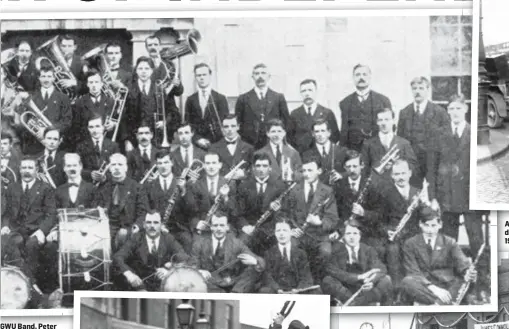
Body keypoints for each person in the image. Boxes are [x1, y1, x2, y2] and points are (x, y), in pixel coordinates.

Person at [427, 94, 487, 295]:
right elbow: (432, 167)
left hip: (470, 197)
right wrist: (433, 196)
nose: (454, 112)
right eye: (451, 108)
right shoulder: (439, 133)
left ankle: (481, 286)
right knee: (449, 242)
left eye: (458, 108)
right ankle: (454, 285)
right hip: (447, 197)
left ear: (465, 110)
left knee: (477, 241)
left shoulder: (476, 133)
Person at [400, 208, 477, 305]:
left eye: (433, 225)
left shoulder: (449, 242)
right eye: (426, 225)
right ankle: (442, 303)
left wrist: (467, 272)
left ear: (440, 225)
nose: (430, 230)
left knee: (464, 280)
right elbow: (413, 272)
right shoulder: (410, 243)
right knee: (407, 282)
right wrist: (434, 289)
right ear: (420, 224)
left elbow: (462, 262)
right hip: (425, 286)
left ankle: (437, 304)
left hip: (446, 285)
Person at [283, 155, 339, 282]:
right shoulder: (294, 189)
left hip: (319, 236)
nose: (306, 174)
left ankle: (317, 283)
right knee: (289, 248)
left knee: (325, 252)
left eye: (310, 170)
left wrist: (319, 222)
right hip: (299, 234)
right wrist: (290, 229)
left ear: (319, 171)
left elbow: (333, 218)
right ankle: (297, 283)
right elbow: (285, 214)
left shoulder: (327, 191)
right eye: (304, 171)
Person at [7, 156, 57, 284]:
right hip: (16, 230)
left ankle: (30, 285)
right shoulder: (12, 188)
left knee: (31, 245)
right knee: (11, 242)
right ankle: (16, 284)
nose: (27, 171)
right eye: (24, 168)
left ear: (36, 170)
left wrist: (42, 231)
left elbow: (51, 214)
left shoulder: (46, 188)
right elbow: (6, 212)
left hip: (36, 231)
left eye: (30, 168)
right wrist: (4, 226)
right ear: (19, 170)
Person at [322, 219, 393, 306]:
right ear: (343, 236)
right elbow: (333, 271)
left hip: (364, 289)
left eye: (355, 233)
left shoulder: (368, 250)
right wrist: (358, 277)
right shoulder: (336, 251)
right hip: (345, 289)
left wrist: (371, 281)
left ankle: (355, 304)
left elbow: (381, 268)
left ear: (360, 235)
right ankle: (356, 303)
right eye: (348, 233)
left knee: (386, 279)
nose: (352, 237)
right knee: (327, 280)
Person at [190, 212, 265, 293]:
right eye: (215, 225)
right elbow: (192, 266)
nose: (218, 229)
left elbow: (261, 261)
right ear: (211, 227)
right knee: (196, 279)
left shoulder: (236, 243)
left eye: (222, 225)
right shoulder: (200, 243)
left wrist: (255, 261)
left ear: (227, 227)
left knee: (254, 268)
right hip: (212, 285)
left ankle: (235, 294)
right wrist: (200, 272)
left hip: (233, 284)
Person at [113, 211, 190, 291]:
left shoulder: (168, 238)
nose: (152, 226)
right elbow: (118, 257)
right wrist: (130, 275)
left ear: (161, 225)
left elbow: (184, 258)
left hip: (161, 288)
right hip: (139, 286)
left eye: (156, 223)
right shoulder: (136, 238)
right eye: (149, 222)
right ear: (144, 225)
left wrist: (169, 271)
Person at [397, 76, 450, 188]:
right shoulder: (404, 113)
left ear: (427, 89)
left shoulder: (439, 112)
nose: (417, 91)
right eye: (414, 88)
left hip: (433, 163)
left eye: (421, 88)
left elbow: (446, 140)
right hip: (412, 163)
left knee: (434, 195)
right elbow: (400, 140)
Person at [91, 153, 149, 251]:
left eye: (120, 165)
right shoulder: (103, 187)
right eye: (113, 165)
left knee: (122, 235)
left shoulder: (136, 187)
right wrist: (99, 210)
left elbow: (143, 212)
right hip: (107, 227)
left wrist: (136, 226)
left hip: (128, 228)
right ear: (109, 168)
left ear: (126, 168)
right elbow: (95, 207)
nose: (117, 168)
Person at [334, 150, 385, 257]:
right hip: (345, 231)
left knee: (379, 250)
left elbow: (380, 215)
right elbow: (334, 213)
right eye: (348, 167)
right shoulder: (338, 185)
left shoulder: (372, 185)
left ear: (362, 166)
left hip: (366, 232)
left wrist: (364, 213)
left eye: (355, 166)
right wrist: (341, 228)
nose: (351, 170)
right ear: (344, 167)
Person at [143, 149, 195, 253]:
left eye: (166, 162)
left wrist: (183, 190)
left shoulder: (182, 183)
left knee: (188, 241)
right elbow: (146, 208)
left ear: (171, 163)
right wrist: (158, 226)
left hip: (178, 229)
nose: (163, 166)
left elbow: (192, 209)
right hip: (157, 229)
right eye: (160, 163)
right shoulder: (149, 185)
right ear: (156, 165)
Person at [235, 152, 287, 255]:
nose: (261, 169)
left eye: (265, 166)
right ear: (253, 168)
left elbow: (284, 213)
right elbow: (238, 212)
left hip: (271, 229)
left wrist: (277, 210)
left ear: (270, 168)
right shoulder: (243, 186)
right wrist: (245, 226)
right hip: (250, 226)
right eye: (258, 166)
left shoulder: (280, 186)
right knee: (239, 246)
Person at [235, 63, 292, 149]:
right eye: (257, 74)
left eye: (263, 73)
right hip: (250, 145)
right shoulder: (243, 98)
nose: (260, 76)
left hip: (273, 144)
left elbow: (286, 123)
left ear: (269, 76)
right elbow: (238, 124)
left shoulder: (278, 97)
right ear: (252, 77)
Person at [19, 64, 72, 155]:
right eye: (43, 76)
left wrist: (47, 130)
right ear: (39, 78)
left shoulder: (63, 97)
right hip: (36, 144)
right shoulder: (32, 97)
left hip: (56, 143)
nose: (46, 79)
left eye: (49, 76)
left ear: (54, 78)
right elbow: (27, 120)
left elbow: (67, 121)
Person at [339, 64, 391, 151]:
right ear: (353, 78)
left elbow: (389, 129)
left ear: (370, 77)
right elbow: (344, 131)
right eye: (358, 75)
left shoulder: (383, 100)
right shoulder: (345, 103)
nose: (361, 77)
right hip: (354, 151)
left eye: (364, 74)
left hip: (378, 149)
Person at [259, 218, 315, 294]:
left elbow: (306, 276)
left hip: (296, 290)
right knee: (265, 291)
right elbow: (268, 276)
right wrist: (277, 289)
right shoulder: (269, 253)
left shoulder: (301, 253)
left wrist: (298, 289)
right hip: (276, 291)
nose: (281, 234)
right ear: (274, 233)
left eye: (285, 230)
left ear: (291, 232)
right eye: (278, 231)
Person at [361, 108, 418, 182]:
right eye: (380, 120)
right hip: (376, 185)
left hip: (397, 185)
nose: (383, 123)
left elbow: (413, 165)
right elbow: (364, 169)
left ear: (393, 121)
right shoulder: (368, 144)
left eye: (387, 119)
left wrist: (398, 165)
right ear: (377, 122)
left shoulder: (404, 143)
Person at [185, 63, 230, 149]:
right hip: (196, 145)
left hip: (216, 144)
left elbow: (225, 123)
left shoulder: (221, 98)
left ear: (210, 75)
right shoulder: (190, 99)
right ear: (195, 77)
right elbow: (188, 124)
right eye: (198, 75)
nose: (202, 78)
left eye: (204, 75)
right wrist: (197, 139)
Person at [289, 79, 340, 154]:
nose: (307, 94)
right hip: (302, 155)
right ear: (300, 93)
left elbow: (335, 136)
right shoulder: (294, 114)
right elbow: (289, 138)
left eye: (310, 90)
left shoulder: (327, 113)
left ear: (316, 91)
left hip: (322, 155)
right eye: (304, 91)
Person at [71, 69, 115, 145]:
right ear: (87, 84)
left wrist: (113, 124)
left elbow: (116, 119)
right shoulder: (79, 103)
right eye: (91, 82)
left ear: (101, 84)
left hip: (107, 143)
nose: (94, 85)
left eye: (96, 82)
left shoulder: (111, 101)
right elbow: (76, 127)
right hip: (86, 143)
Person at [302, 118, 348, 186]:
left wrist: (341, 175)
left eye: (323, 131)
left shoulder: (342, 151)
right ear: (313, 134)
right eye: (317, 131)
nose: (320, 134)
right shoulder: (306, 155)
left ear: (329, 133)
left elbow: (352, 171)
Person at [209, 114, 254, 183]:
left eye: (233, 126)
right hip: (222, 188)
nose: (230, 129)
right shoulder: (213, 148)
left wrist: (245, 174)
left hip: (243, 189)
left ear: (238, 127)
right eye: (226, 126)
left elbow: (254, 170)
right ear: (222, 128)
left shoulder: (249, 148)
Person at [255, 119, 302, 183]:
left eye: (279, 131)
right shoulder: (259, 153)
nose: (276, 135)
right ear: (268, 133)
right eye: (273, 131)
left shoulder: (293, 153)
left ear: (284, 133)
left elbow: (300, 173)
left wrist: (292, 174)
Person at [76, 115, 120, 184]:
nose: (95, 130)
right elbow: (76, 167)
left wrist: (105, 177)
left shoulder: (113, 146)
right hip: (88, 186)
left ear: (103, 127)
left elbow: (118, 169)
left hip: (107, 187)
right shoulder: (81, 146)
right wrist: (90, 174)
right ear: (87, 128)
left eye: (97, 126)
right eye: (91, 127)